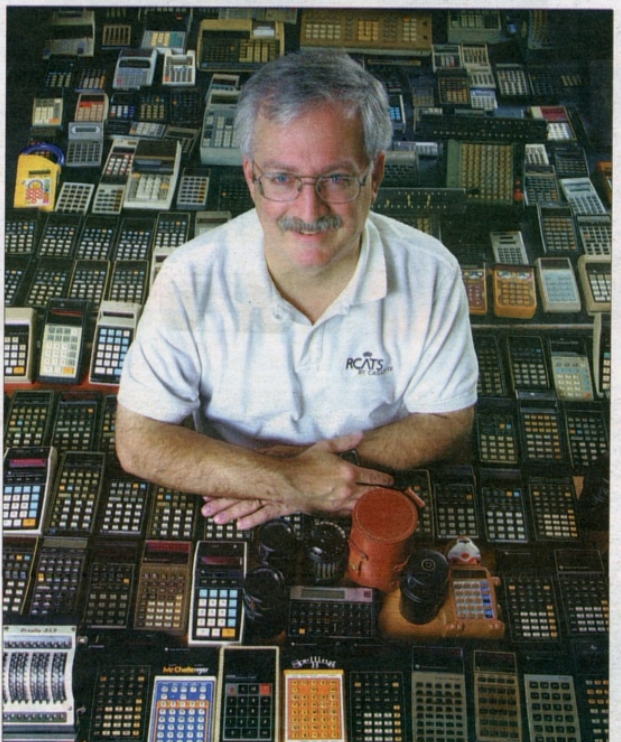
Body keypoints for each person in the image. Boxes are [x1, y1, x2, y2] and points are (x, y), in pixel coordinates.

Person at [116, 49, 478, 531]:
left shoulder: (432, 273)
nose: (309, 211)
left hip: (363, 498)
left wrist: (317, 472)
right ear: (251, 177)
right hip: (239, 508)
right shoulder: (188, 278)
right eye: (284, 178)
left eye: (336, 178)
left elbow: (449, 422)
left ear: (376, 176)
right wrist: (286, 479)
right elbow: (138, 439)